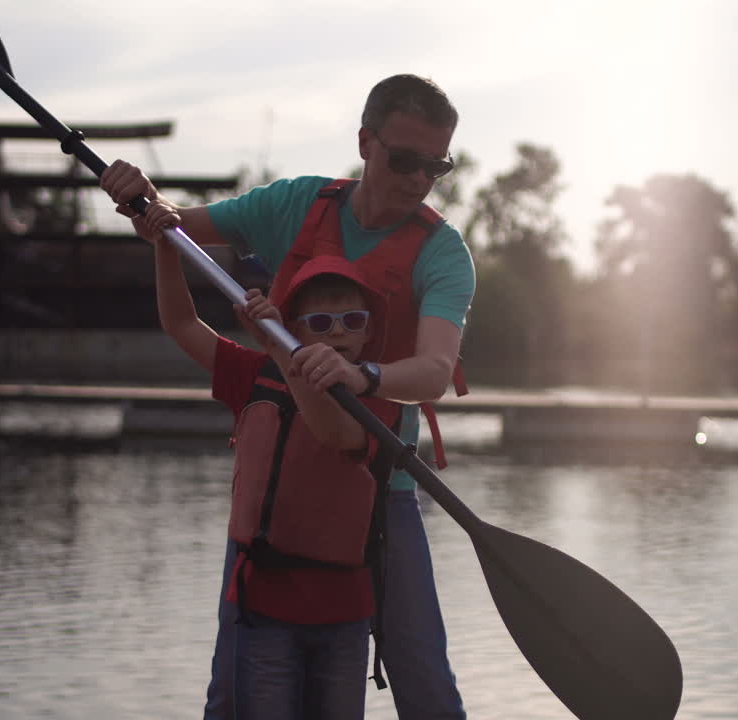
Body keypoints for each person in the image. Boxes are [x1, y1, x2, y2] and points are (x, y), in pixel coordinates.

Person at [101, 73, 472, 720]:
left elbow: (435, 371)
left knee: (427, 692)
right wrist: (142, 202)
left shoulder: (443, 253)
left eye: (435, 166)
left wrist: (365, 378)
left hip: (378, 491)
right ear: (365, 141)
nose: (419, 180)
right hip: (281, 489)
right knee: (230, 697)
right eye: (404, 160)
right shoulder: (296, 205)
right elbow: (171, 231)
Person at [147, 207, 397, 719]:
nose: (338, 333)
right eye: (320, 322)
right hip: (264, 611)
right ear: (296, 326)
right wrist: (163, 248)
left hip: (343, 617)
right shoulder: (254, 373)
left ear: (369, 332)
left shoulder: (377, 396)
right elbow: (180, 323)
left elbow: (337, 437)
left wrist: (283, 352)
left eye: (353, 321)